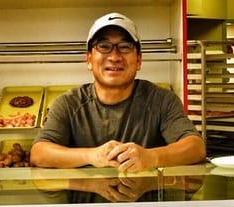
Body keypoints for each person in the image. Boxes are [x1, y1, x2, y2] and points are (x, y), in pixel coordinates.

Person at [30, 12, 206, 172]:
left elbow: (195, 147)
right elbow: (40, 153)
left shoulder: (161, 100)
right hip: (85, 206)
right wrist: (92, 156)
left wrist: (151, 157)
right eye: (104, 46)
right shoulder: (69, 104)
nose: (114, 57)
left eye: (125, 46)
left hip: (147, 205)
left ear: (138, 60)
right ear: (89, 59)